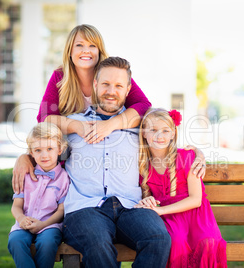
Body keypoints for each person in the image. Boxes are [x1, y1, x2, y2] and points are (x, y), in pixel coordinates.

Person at [12, 23, 207, 195]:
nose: (85, 50)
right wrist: (77, 126)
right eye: (79, 45)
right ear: (70, 51)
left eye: (92, 46)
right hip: (75, 165)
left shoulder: (111, 74)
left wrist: (111, 125)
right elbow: (45, 119)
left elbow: (143, 107)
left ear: (99, 51)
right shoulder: (60, 78)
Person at [63, 57, 171, 268]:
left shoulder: (141, 126)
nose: (111, 91)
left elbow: (170, 140)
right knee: (98, 244)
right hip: (85, 207)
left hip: (130, 205)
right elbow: (40, 146)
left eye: (119, 86)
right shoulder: (73, 124)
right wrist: (24, 158)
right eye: (105, 84)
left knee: (158, 238)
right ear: (95, 84)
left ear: (128, 89)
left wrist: (198, 152)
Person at [135, 108, 228, 268]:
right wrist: (148, 200)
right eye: (153, 130)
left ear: (173, 133)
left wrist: (161, 211)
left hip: (195, 215)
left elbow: (196, 199)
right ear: (144, 133)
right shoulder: (143, 166)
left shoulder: (186, 157)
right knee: (174, 240)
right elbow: (145, 196)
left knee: (207, 241)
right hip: (169, 218)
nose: (159, 135)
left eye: (165, 130)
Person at [8, 122, 70, 268]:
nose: (44, 155)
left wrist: (43, 224)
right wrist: (21, 218)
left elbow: (61, 210)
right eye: (38, 150)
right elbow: (16, 206)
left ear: (60, 149)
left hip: (50, 225)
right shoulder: (25, 175)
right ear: (31, 152)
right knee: (15, 240)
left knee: (47, 242)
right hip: (24, 224)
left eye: (50, 149)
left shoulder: (64, 178)